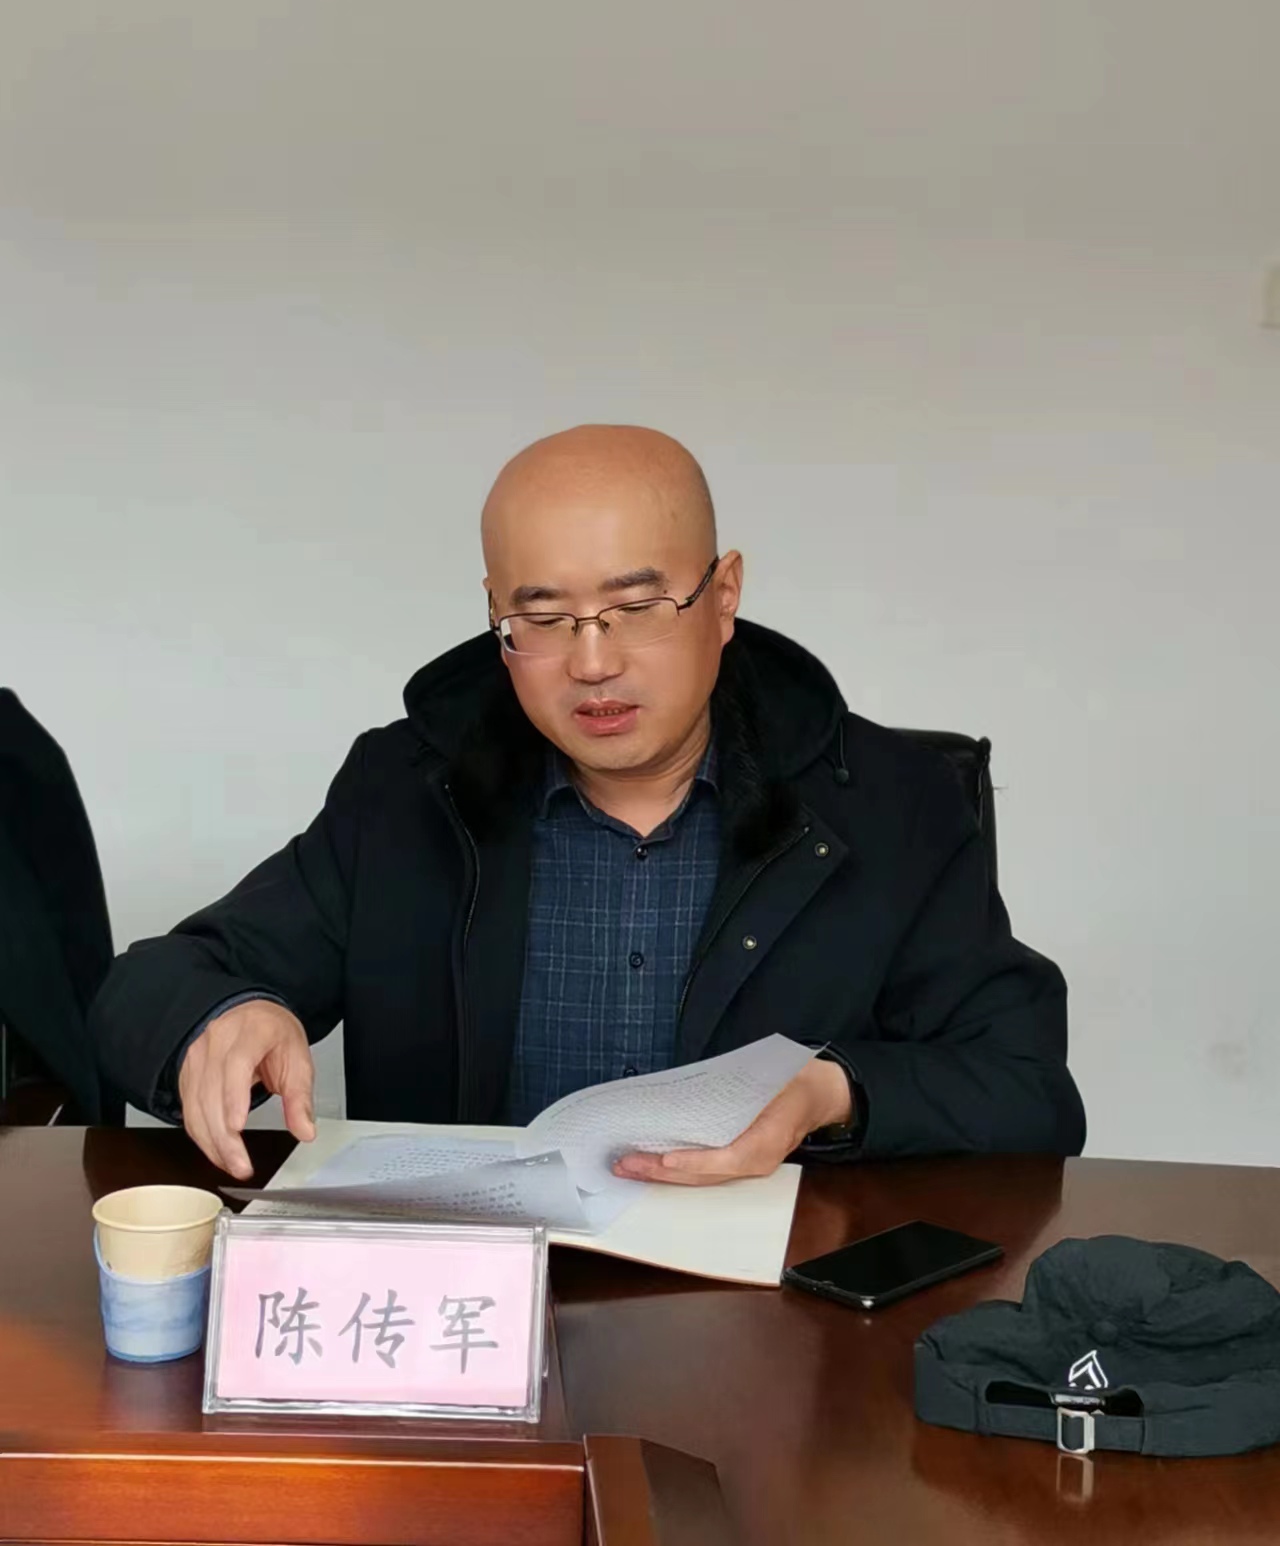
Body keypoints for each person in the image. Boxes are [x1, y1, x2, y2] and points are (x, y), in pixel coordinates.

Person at [91, 425, 1085, 1180]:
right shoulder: (408, 793)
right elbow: (147, 985)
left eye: (637, 607)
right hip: (476, 1301)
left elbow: (1029, 1091)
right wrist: (221, 1014)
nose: (593, 662)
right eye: (542, 615)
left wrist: (832, 1091)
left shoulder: (890, 804)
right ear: (496, 612)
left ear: (723, 595)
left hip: (773, 1313)